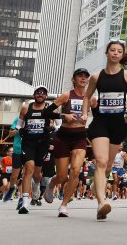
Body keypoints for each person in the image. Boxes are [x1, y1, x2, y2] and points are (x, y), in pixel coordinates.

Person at [82, 39, 127, 220]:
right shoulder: (96, 76)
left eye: (119, 51)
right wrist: (85, 114)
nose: (115, 53)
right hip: (100, 124)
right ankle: (101, 203)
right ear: (107, 53)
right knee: (100, 162)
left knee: (107, 166)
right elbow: (87, 97)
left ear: (122, 55)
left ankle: (97, 187)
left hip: (117, 125)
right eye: (112, 50)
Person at [45, 68, 94, 217]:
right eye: (80, 76)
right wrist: (63, 115)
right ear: (73, 79)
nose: (83, 78)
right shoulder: (67, 95)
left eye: (86, 76)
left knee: (75, 171)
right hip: (63, 137)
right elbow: (46, 112)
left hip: (80, 137)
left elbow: (101, 116)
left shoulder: (91, 98)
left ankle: (63, 205)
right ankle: (52, 183)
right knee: (62, 177)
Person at [15, 86, 67, 214]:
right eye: (38, 93)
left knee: (37, 174)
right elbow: (19, 124)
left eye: (43, 93)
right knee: (29, 168)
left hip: (42, 144)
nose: (40, 95)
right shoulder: (26, 107)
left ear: (46, 96)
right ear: (34, 95)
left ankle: (36, 185)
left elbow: (59, 125)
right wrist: (19, 129)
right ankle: (25, 203)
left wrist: (52, 129)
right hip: (28, 143)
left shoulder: (49, 108)